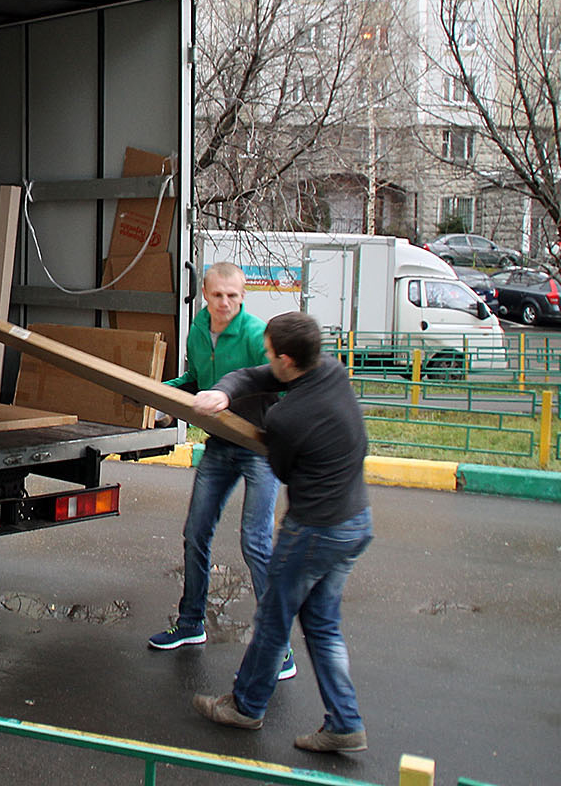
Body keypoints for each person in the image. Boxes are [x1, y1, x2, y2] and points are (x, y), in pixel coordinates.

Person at [189, 311, 374, 754]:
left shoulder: (288, 418)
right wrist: (224, 391)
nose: (266, 358)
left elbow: (282, 469)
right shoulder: (331, 372)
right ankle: (345, 723)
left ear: (288, 360)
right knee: (322, 624)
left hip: (315, 529)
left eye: (271, 352)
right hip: (355, 521)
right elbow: (255, 376)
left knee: (273, 616)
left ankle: (246, 706)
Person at [148, 262, 292, 681]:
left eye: (233, 295)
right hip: (219, 446)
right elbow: (197, 379)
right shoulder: (197, 330)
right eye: (217, 295)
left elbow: (282, 386)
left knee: (256, 543)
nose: (225, 302)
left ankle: (278, 647)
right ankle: (191, 623)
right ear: (205, 295)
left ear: (242, 296)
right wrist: (159, 396)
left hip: (257, 448)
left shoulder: (255, 335)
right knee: (195, 532)